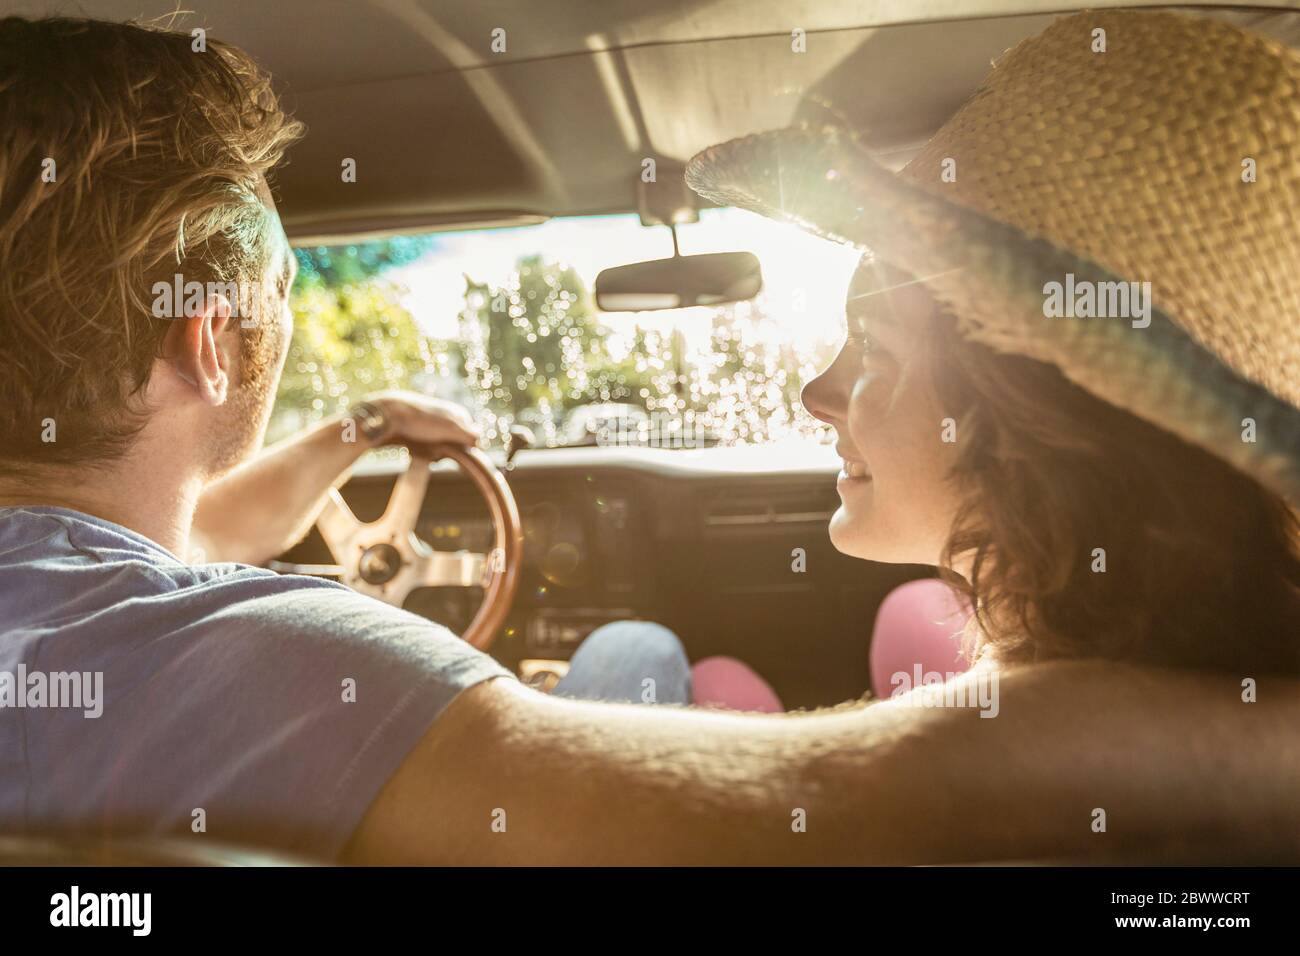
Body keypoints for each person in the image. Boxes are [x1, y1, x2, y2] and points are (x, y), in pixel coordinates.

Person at [0, 12, 1296, 866]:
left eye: (876, 351)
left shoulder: (78, 625)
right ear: (215, 341)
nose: (816, 394)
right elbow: (863, 802)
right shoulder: (250, 667)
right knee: (642, 656)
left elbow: (181, 533)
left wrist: (365, 424)